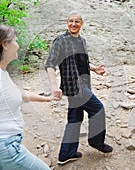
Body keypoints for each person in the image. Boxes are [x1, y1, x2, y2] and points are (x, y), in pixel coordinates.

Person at [0, 24, 57, 170]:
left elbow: (19, 94)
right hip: (3, 150)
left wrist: (47, 98)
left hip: (8, 146)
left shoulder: (0, 73)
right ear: (5, 44)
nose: (18, 46)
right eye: (15, 40)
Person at [45, 11, 113, 165]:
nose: (73, 24)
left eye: (77, 21)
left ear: (81, 24)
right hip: (75, 87)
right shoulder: (61, 41)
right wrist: (53, 86)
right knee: (98, 109)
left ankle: (66, 154)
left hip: (84, 84)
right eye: (70, 21)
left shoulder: (81, 41)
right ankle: (96, 141)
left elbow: (80, 63)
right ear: (66, 23)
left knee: (75, 119)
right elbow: (50, 63)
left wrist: (94, 69)